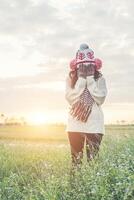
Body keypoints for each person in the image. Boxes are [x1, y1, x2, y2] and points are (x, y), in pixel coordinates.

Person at [65, 43, 108, 170]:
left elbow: (100, 99)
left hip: (94, 125)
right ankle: (74, 188)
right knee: (76, 162)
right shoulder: (70, 77)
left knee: (92, 162)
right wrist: (81, 80)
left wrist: (90, 79)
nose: (85, 68)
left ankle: (89, 188)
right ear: (76, 65)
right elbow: (71, 98)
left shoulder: (100, 78)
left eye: (88, 66)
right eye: (82, 66)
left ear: (94, 65)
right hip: (75, 125)